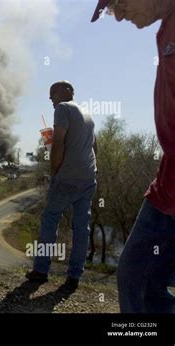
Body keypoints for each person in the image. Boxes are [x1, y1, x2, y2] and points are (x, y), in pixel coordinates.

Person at [91, 0, 175, 313]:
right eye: (113, 10)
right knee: (136, 278)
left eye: (120, 3)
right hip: (167, 182)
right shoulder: (166, 28)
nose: (119, 16)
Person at [25, 81, 97, 290]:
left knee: (50, 220)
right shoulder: (88, 113)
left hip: (67, 178)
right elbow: (94, 146)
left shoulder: (63, 109)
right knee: (81, 228)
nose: (50, 99)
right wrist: (93, 170)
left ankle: (41, 271)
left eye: (53, 93)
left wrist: (54, 172)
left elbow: (57, 144)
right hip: (88, 178)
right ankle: (74, 277)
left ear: (67, 92)